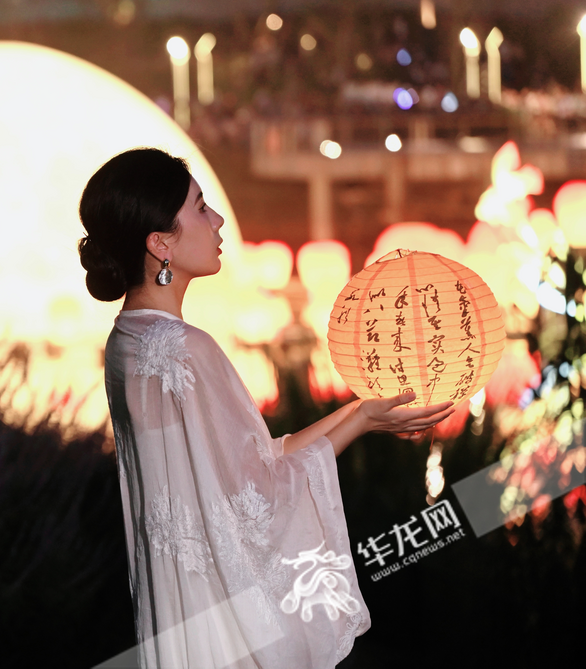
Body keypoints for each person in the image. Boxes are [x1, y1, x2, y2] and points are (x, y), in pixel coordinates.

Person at [77, 148, 454, 668]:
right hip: (224, 622)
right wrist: (360, 420)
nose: (218, 220)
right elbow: (259, 495)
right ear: (160, 241)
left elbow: (251, 461)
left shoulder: (127, 340)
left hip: (180, 608)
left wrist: (360, 413)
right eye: (201, 207)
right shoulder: (186, 349)